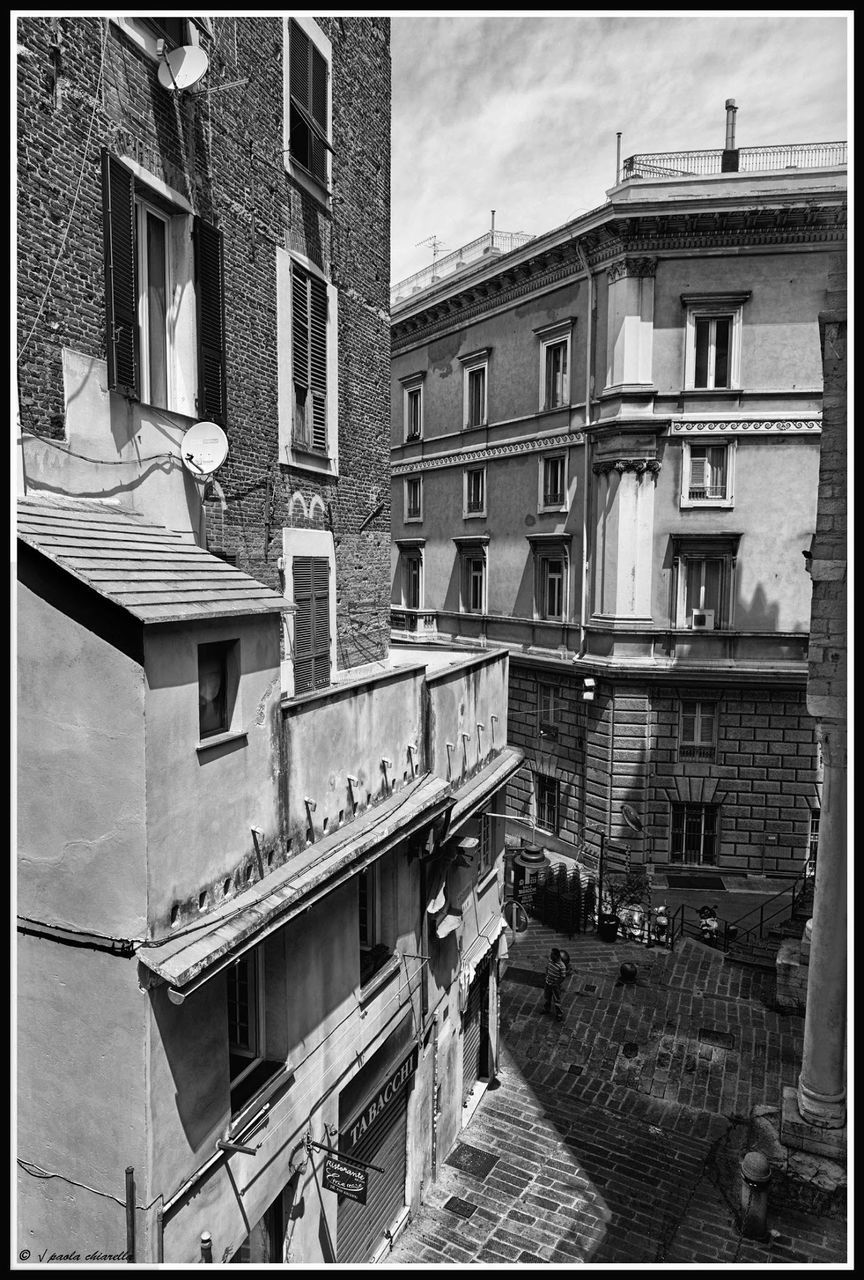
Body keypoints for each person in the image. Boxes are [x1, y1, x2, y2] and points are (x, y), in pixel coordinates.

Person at [543, 947, 567, 1020]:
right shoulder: (551, 960)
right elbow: (547, 967)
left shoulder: (562, 966)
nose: (550, 956)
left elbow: (563, 977)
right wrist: (547, 974)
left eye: (552, 955)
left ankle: (559, 1014)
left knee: (557, 1000)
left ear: (557, 956)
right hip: (548, 983)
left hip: (555, 986)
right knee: (547, 997)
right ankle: (546, 1009)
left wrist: (556, 983)